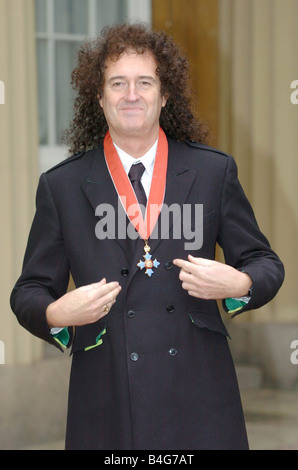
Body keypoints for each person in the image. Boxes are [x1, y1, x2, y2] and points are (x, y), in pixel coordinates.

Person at [10, 23, 284, 450]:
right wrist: (56, 313)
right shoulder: (61, 186)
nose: (131, 94)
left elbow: (266, 263)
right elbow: (27, 291)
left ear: (165, 94)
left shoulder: (214, 171)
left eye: (144, 82)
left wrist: (241, 284)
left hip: (199, 394)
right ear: (99, 97)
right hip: (106, 396)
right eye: (117, 83)